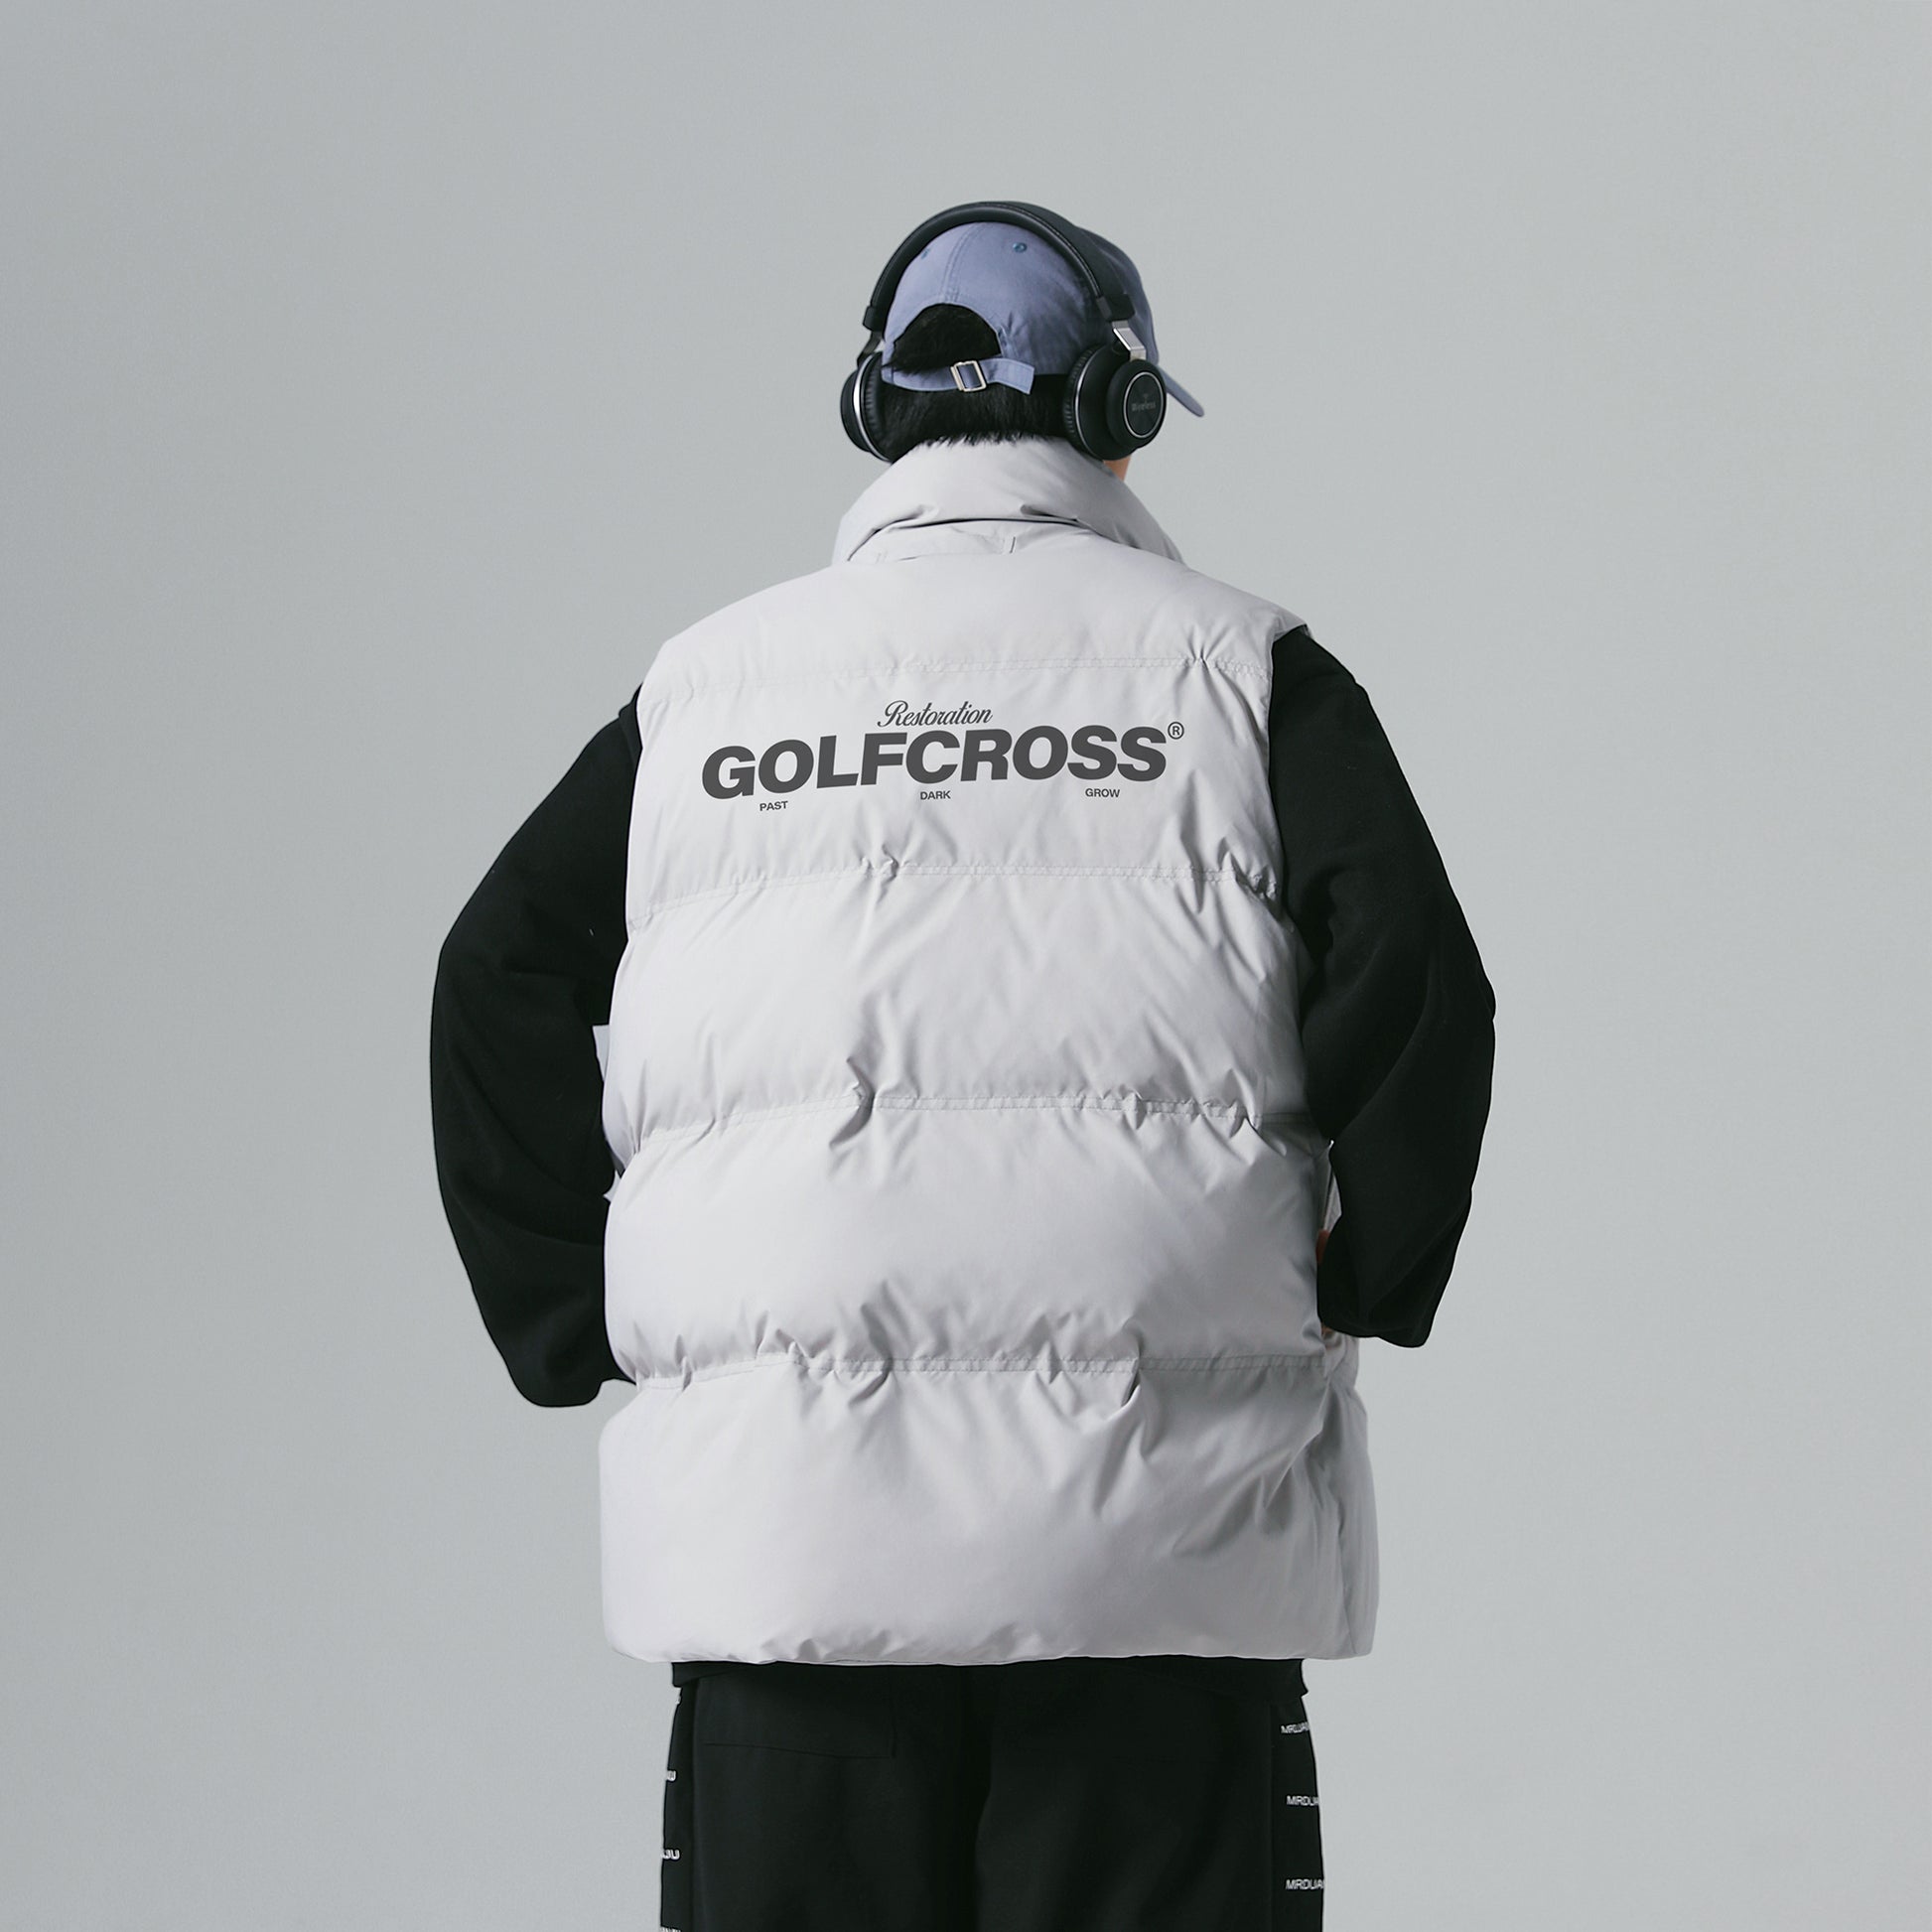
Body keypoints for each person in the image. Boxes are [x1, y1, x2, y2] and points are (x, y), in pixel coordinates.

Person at [429, 200, 1496, 1931]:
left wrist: (577, 1315)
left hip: (787, 1547)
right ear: (1118, 414)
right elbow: (1421, 981)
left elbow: (493, 977)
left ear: (879, 412)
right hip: (1157, 1551)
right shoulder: (1243, 672)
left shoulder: (700, 695)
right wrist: (1366, 1265)